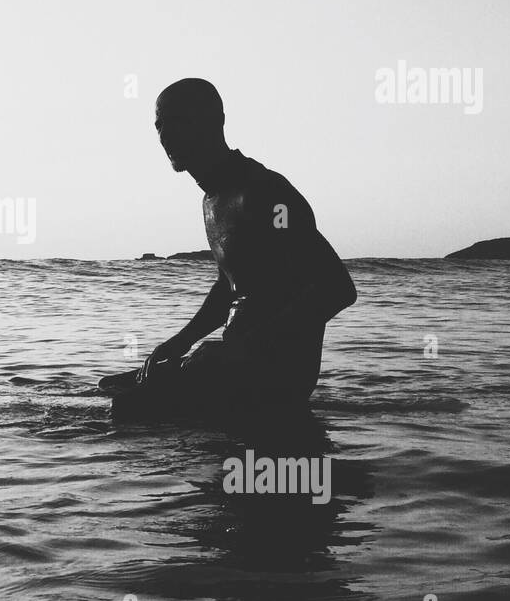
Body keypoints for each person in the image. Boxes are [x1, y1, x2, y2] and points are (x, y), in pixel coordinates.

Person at [106, 78, 356, 420]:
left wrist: (239, 350)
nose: (165, 135)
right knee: (109, 386)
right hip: (230, 363)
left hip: (273, 377)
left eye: (178, 120)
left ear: (214, 121)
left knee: (124, 412)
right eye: (159, 125)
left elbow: (335, 288)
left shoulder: (265, 192)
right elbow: (230, 286)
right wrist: (181, 342)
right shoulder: (212, 199)